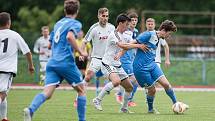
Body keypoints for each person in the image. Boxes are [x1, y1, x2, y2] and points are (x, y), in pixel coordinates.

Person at [24, 1, 87, 121]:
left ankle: (30, 110)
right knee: (82, 90)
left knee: (47, 93)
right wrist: (81, 51)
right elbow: (69, 36)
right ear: (77, 11)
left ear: (65, 11)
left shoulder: (58, 23)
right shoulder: (75, 23)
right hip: (65, 62)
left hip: (52, 63)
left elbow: (49, 45)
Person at [92, 13, 148, 113]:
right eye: (127, 24)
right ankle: (97, 100)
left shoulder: (126, 35)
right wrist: (138, 46)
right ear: (121, 23)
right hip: (107, 63)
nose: (128, 26)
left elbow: (128, 45)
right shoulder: (114, 35)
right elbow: (124, 45)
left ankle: (124, 108)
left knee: (129, 87)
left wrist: (120, 54)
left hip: (117, 64)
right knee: (116, 81)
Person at [133, 20, 189, 114]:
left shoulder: (159, 38)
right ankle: (150, 109)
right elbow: (131, 43)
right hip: (141, 68)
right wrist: (138, 46)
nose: (169, 36)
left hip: (152, 64)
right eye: (169, 33)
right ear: (163, 30)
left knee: (166, 84)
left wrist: (167, 59)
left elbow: (166, 47)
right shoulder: (148, 35)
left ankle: (176, 104)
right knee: (152, 90)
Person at [0, 12, 34, 121]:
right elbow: (27, 52)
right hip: (6, 70)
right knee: (2, 95)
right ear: (9, 22)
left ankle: (4, 118)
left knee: (3, 94)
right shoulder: (14, 35)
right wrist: (31, 66)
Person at [115, 12, 139, 107]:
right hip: (124, 58)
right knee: (132, 79)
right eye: (132, 20)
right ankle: (120, 94)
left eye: (135, 20)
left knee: (135, 81)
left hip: (132, 59)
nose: (133, 22)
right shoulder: (125, 31)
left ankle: (129, 99)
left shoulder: (136, 31)